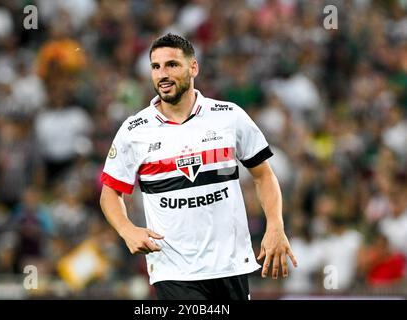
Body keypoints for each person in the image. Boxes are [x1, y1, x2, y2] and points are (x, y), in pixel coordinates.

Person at [99, 33, 297, 300]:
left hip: (230, 264)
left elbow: (264, 176)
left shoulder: (229, 116)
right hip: (173, 269)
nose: (162, 74)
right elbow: (109, 192)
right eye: (156, 67)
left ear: (193, 68)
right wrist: (126, 230)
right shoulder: (134, 131)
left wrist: (275, 225)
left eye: (172, 65)